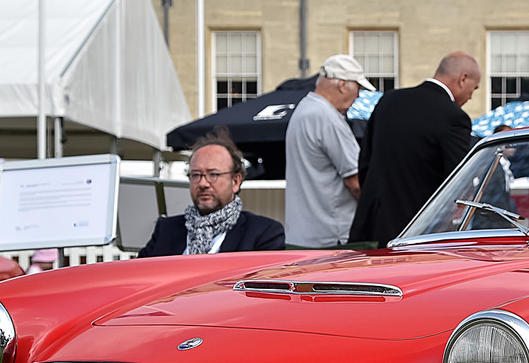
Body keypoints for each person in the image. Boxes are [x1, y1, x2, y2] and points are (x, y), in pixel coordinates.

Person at [350, 51, 480, 246]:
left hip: (370, 223)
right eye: (474, 88)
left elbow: (365, 162)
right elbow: (456, 181)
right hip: (416, 230)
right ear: (463, 79)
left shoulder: (389, 100)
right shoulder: (454, 117)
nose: (471, 96)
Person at [138, 130, 284, 256]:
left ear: (235, 181)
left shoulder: (264, 233)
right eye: (196, 175)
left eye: (213, 174)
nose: (203, 184)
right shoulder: (166, 230)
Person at [284, 54, 374, 248]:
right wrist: (378, 215)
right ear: (342, 85)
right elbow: (355, 183)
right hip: (333, 238)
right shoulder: (328, 118)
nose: (358, 96)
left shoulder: (303, 110)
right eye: (358, 88)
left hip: (300, 238)